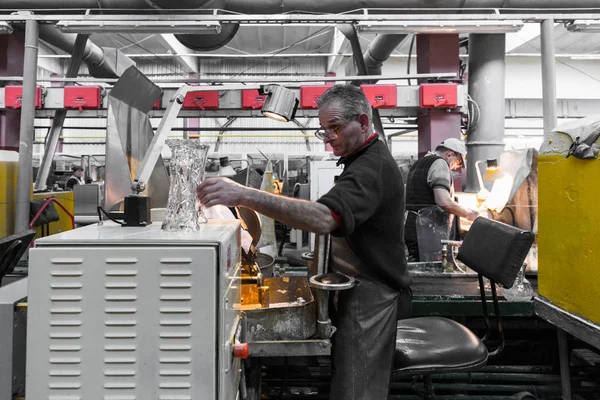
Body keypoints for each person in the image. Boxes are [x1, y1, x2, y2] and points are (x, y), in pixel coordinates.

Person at [197, 84, 410, 400]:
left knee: (357, 391)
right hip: (358, 290)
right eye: (324, 130)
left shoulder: (371, 168)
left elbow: (325, 218)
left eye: (335, 127)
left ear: (363, 122)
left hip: (373, 297)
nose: (330, 137)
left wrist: (244, 194)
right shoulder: (358, 160)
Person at [404, 138, 480, 261]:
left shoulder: (420, 163)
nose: (456, 168)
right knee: (430, 270)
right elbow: (443, 201)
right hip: (427, 231)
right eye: (458, 162)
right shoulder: (440, 163)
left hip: (413, 227)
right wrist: (469, 214)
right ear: (449, 154)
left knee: (417, 267)